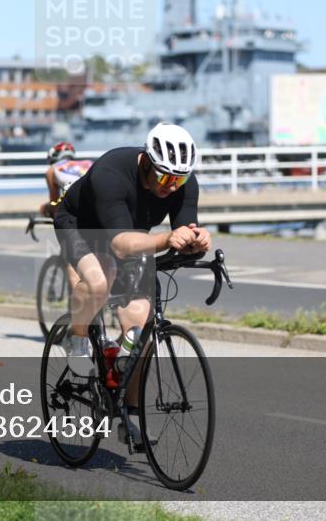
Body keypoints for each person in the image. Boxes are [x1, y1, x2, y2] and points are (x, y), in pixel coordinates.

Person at [52, 123, 211, 449]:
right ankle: (76, 338)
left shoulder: (182, 182)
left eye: (179, 179)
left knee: (141, 329)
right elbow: (121, 246)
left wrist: (196, 241)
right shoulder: (111, 173)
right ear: (147, 163)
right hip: (82, 227)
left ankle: (128, 414)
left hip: (129, 234)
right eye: (165, 177)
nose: (172, 186)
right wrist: (166, 238)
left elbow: (179, 233)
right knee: (98, 283)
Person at [39, 142, 92, 218]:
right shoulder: (88, 163)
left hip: (80, 207)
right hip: (101, 203)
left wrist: (49, 210)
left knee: (44, 208)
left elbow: (54, 203)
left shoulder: (52, 169)